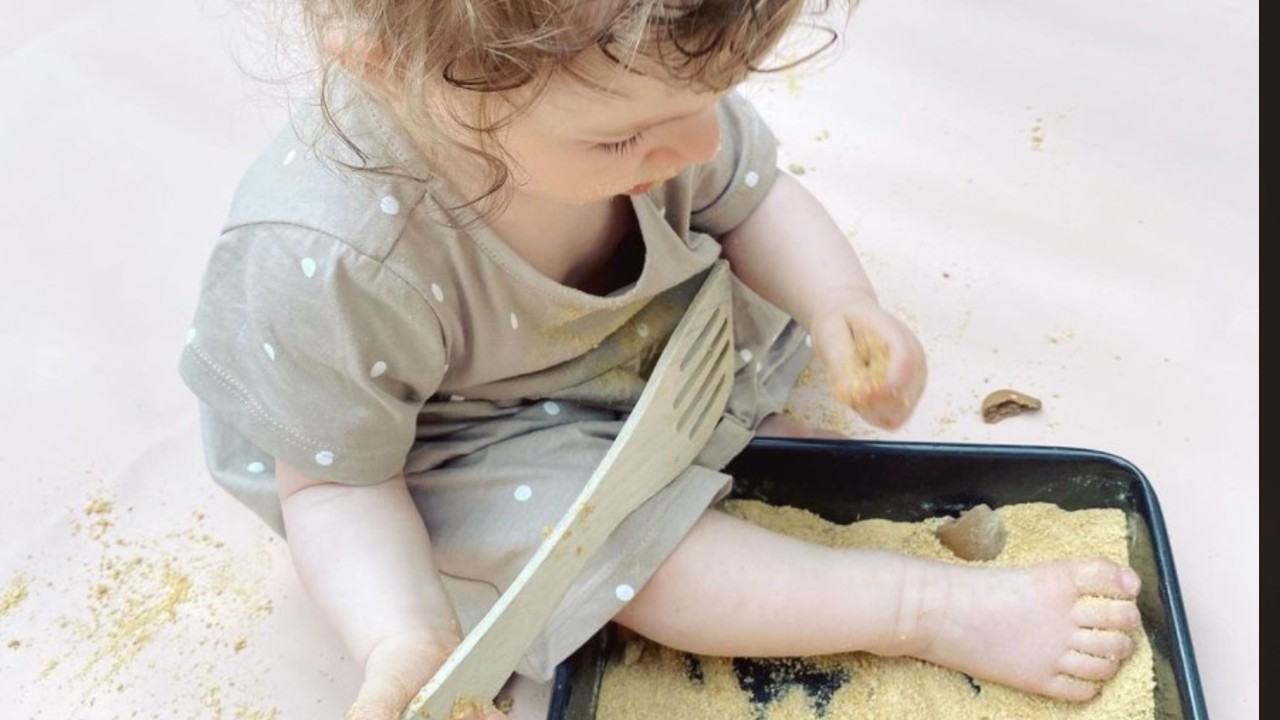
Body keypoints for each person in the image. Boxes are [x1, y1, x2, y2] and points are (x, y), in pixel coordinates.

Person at [179, 1, 1142, 717]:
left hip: (639, 334)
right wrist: (401, 632)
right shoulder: (330, 258)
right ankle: (921, 607)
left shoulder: (643, 102)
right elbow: (335, 487)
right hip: (458, 434)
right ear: (398, 71)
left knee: (737, 366)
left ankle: (723, 447)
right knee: (636, 555)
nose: (692, 148)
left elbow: (752, 200)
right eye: (626, 136)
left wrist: (839, 301)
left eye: (714, 99)